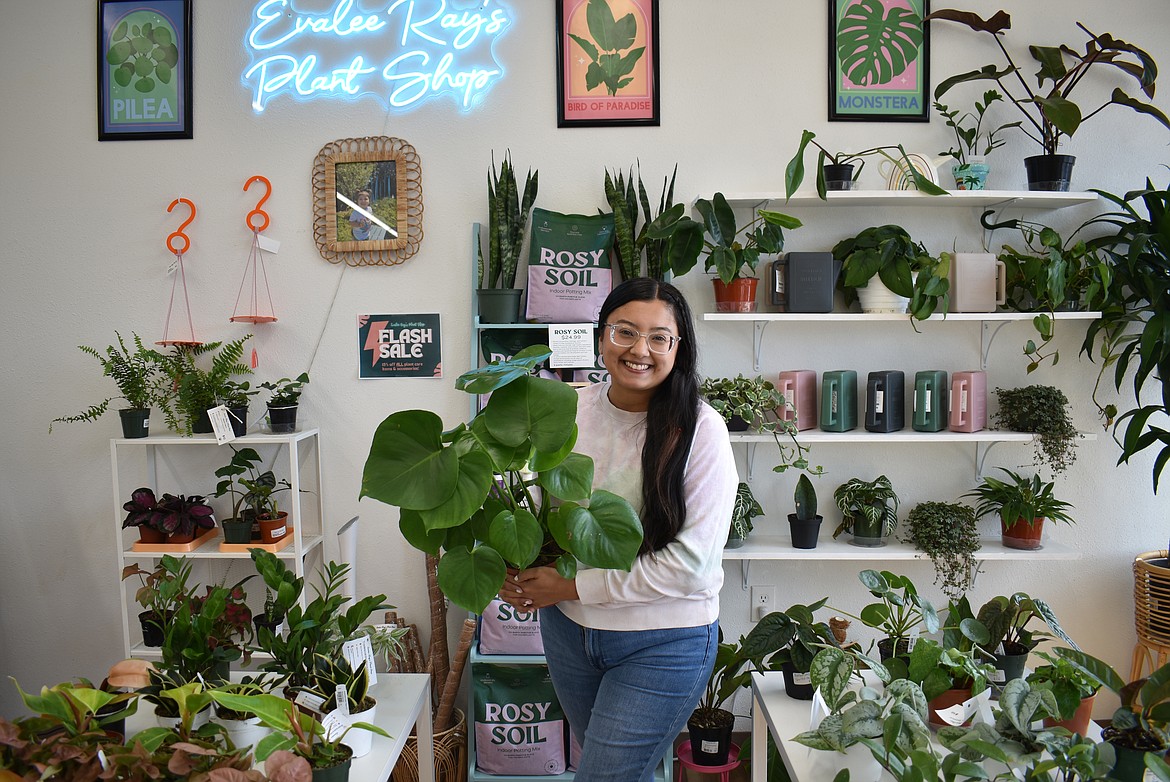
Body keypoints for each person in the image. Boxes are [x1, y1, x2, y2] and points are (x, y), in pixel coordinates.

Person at [499, 277, 738, 782]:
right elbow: (533, 500)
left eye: (659, 337)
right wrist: (511, 562)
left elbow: (690, 568)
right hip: (570, 632)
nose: (640, 350)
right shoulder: (566, 409)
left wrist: (569, 585)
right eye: (625, 332)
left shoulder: (701, 430)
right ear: (602, 336)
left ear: (679, 347)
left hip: (663, 640)